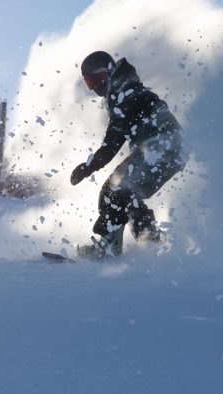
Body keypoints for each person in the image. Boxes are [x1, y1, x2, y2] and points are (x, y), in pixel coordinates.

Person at [70, 51, 184, 258]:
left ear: (110, 73)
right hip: (163, 150)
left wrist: (89, 167)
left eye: (98, 79)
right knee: (126, 191)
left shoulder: (126, 95)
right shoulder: (124, 91)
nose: (95, 86)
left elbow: (112, 142)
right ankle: (149, 239)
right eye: (89, 82)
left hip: (164, 149)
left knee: (114, 190)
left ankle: (108, 248)